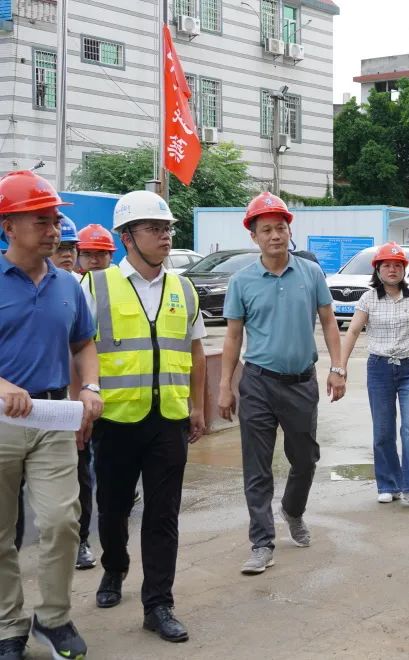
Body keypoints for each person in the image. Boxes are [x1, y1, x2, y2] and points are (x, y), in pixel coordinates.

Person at [81, 189, 206, 643]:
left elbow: (195, 351)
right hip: (115, 420)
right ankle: (114, 567)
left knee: (163, 514)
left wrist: (197, 406)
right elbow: (78, 348)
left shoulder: (184, 289)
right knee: (113, 508)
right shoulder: (95, 285)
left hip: (168, 419)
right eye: (154, 228)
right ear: (127, 237)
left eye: (167, 228)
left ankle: (158, 604)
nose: (165, 236)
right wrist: (81, 404)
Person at [0, 170, 101, 660]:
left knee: (62, 521)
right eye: (40, 220)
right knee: (1, 531)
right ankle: (8, 626)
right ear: (8, 227)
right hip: (1, 419)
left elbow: (84, 343)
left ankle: (54, 617)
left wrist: (91, 387)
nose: (53, 229)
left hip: (53, 416)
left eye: (55, 219)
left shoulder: (69, 285)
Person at [218, 192, 346, 576]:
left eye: (281, 228)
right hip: (257, 382)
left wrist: (338, 368)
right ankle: (262, 543)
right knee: (257, 466)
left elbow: (329, 322)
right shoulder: (241, 281)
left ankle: (293, 509)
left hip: (301, 383)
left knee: (305, 459)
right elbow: (233, 336)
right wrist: (225, 385)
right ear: (254, 236)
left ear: (289, 231)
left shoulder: (310, 273)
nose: (275, 235)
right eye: (267, 230)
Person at [342, 242, 409, 506]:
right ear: (378, 269)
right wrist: (340, 366)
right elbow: (353, 331)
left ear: (404, 269)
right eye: (386, 265)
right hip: (379, 369)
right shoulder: (368, 299)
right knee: (383, 432)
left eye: (397, 265)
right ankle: (388, 485)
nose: (392, 269)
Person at [70, 224, 118, 572]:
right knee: (80, 474)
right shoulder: (74, 288)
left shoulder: (117, 288)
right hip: (77, 396)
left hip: (110, 396)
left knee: (102, 470)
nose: (94, 260)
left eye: (100, 254)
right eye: (88, 254)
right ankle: (79, 539)